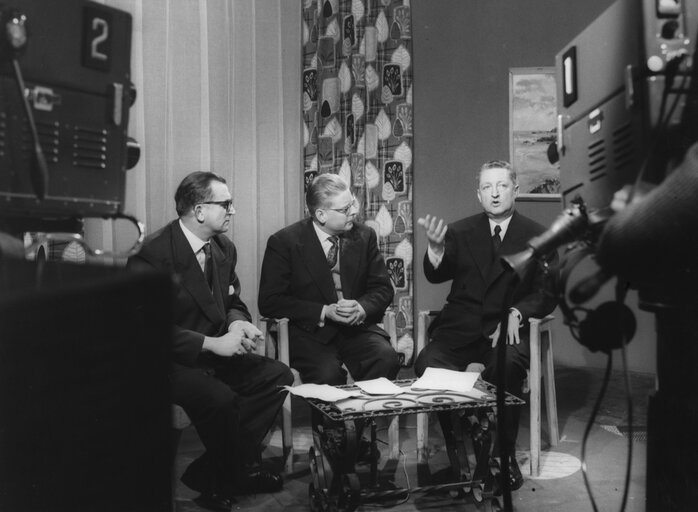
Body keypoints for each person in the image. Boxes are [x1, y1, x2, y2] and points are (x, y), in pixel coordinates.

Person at [127, 172, 293, 512]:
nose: (233, 211)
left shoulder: (223, 248)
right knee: (220, 399)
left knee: (277, 376)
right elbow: (145, 329)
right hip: (168, 361)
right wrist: (211, 344)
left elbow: (233, 301)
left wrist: (238, 325)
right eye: (226, 204)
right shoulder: (151, 256)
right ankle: (232, 473)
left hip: (214, 353)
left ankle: (215, 473)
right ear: (200, 210)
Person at [416, 160, 558, 490]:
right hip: (459, 330)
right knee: (426, 363)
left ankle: (501, 457)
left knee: (507, 367)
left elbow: (548, 290)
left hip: (505, 332)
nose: (494, 194)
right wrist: (435, 249)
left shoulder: (538, 235)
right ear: (478, 194)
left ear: (516, 190)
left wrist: (519, 312)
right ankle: (457, 450)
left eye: (502, 186)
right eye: (487, 188)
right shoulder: (460, 230)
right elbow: (436, 273)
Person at [258, 173, 400, 386]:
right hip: (310, 334)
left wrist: (360, 308)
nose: (354, 211)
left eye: (352, 203)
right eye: (345, 209)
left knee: (386, 358)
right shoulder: (284, 242)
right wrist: (324, 311)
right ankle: (333, 420)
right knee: (327, 375)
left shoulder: (364, 236)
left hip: (356, 330)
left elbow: (382, 289)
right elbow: (270, 301)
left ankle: (364, 418)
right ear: (321, 214)